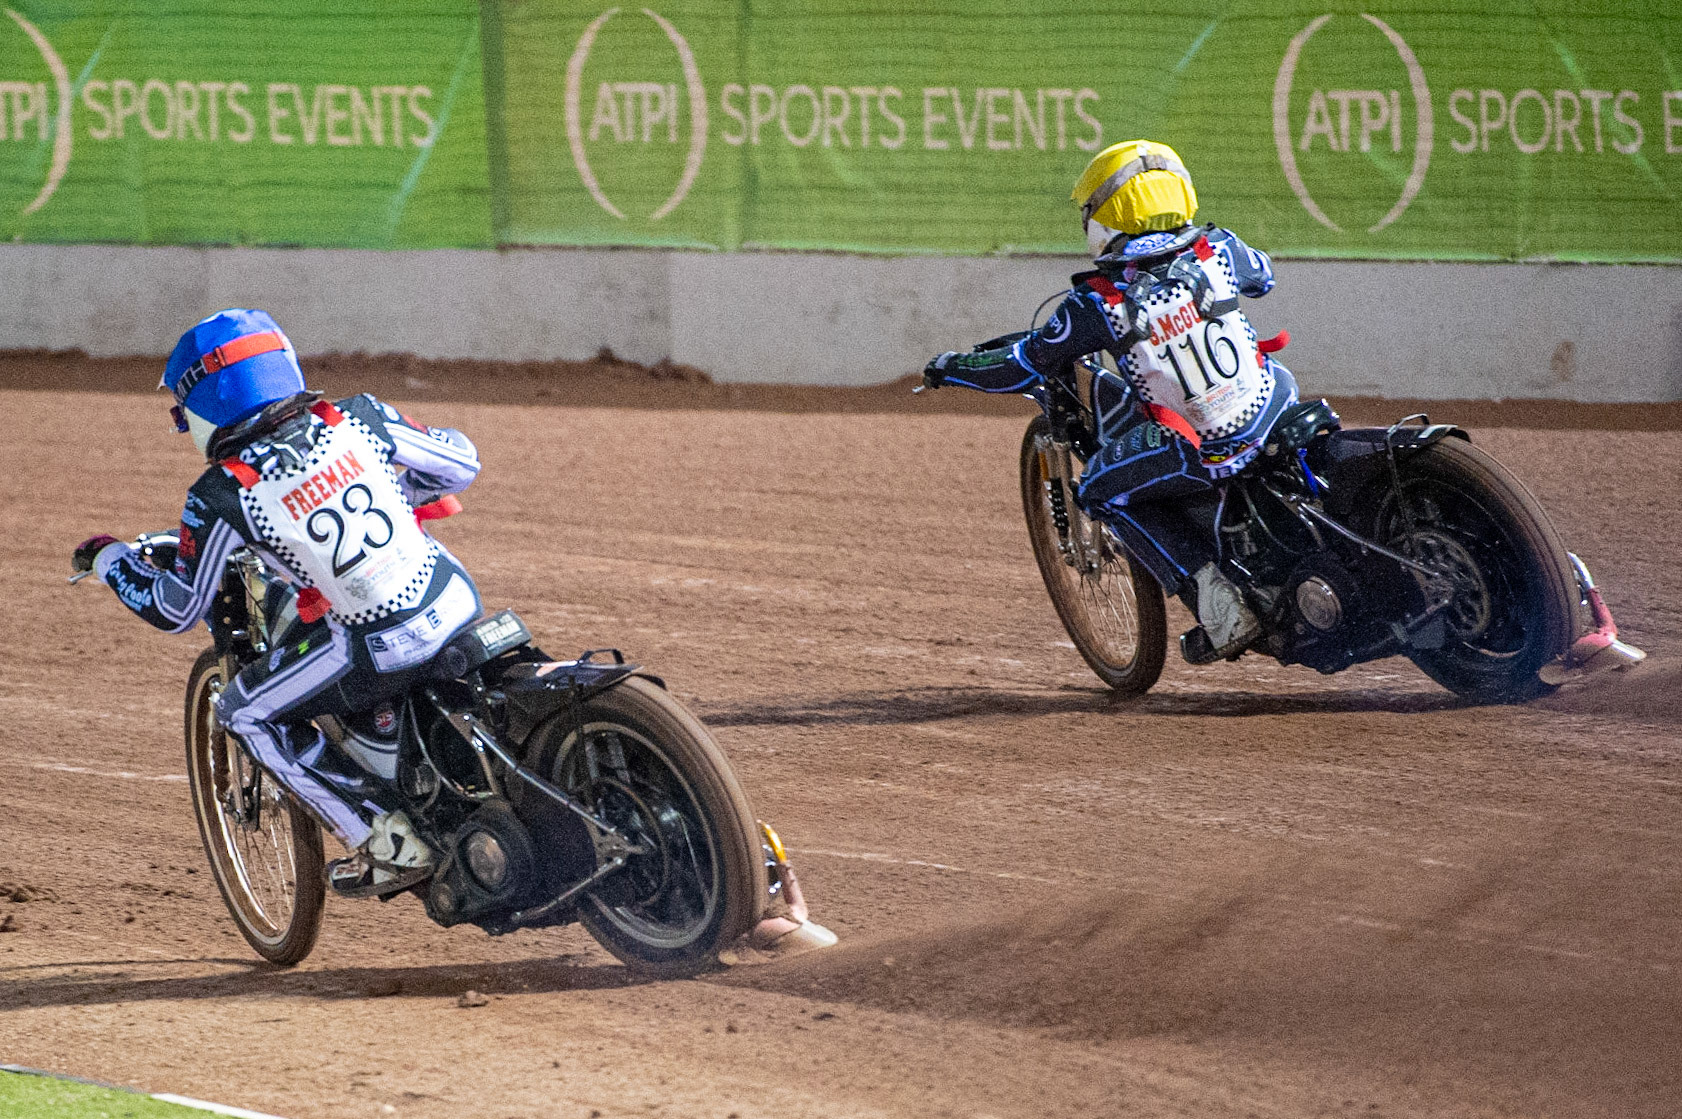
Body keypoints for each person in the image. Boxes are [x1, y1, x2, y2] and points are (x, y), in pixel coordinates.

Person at [72, 309, 483, 896]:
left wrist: (109, 559)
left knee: (242, 710)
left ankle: (384, 839)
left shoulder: (222, 492)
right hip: (459, 598)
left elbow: (177, 608)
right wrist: (395, 492)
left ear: (201, 404)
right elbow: (462, 463)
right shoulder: (358, 415)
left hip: (378, 646)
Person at [923, 139, 1298, 663]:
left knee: (1100, 488)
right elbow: (1263, 276)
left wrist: (952, 367)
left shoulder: (1098, 300)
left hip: (1199, 448)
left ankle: (1221, 609)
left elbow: (1024, 365)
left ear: (1105, 215)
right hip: (1274, 408)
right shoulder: (1219, 248)